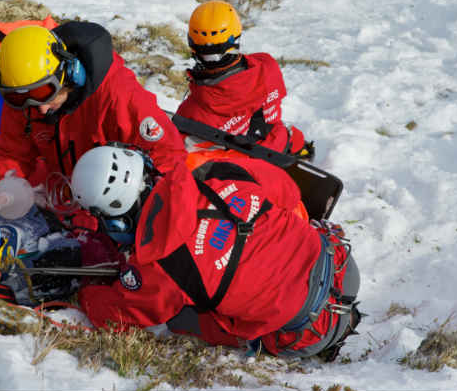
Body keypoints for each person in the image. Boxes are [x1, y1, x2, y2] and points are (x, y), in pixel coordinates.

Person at [70, 144, 362, 360]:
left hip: (305, 334)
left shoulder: (157, 269)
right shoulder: (215, 172)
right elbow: (286, 190)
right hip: (341, 266)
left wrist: (86, 290)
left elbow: (113, 316)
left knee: (179, 317)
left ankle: (323, 334)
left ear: (117, 218)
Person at [0, 22, 186, 224]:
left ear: (71, 73)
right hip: (63, 199)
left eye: (46, 93)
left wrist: (138, 218)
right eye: (20, 98)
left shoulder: (119, 96)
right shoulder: (26, 96)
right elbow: (12, 154)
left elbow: (168, 157)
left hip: (114, 209)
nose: (41, 109)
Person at [176, 0, 314, 159]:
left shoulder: (191, 113)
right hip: (277, 145)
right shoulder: (267, 65)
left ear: (192, 44)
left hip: (239, 167)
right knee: (285, 133)